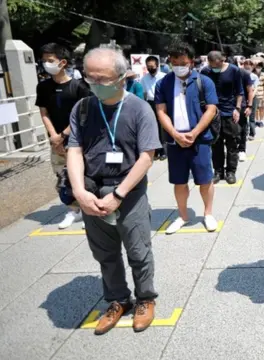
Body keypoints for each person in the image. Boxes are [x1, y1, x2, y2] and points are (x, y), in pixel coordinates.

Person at [66, 48, 162, 335]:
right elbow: (74, 149)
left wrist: (118, 194)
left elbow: (147, 156)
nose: (95, 83)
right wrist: (80, 192)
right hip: (92, 192)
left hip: (128, 192)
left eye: (102, 79)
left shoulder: (139, 108)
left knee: (138, 250)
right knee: (104, 253)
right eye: (89, 77)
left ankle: (145, 298)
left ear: (122, 78)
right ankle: (118, 299)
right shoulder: (82, 108)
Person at [155, 42, 219, 234]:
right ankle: (183, 215)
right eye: (174, 61)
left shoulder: (203, 81)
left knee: (205, 179)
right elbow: (161, 111)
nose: (178, 65)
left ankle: (208, 213)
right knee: (179, 180)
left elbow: (211, 109)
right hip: (175, 140)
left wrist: (195, 132)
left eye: (182, 62)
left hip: (199, 139)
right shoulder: (164, 83)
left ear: (191, 61)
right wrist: (174, 133)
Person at [36, 42, 91, 229]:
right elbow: (44, 112)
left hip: (78, 140)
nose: (46, 64)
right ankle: (72, 210)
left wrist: (63, 134)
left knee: (84, 174)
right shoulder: (43, 87)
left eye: (50, 60)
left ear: (63, 62)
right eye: (44, 61)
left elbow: (83, 114)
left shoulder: (79, 87)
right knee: (62, 177)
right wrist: (54, 136)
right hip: (56, 142)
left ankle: (87, 209)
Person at [201, 51, 244, 184]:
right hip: (212, 113)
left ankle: (231, 171)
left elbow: (239, 91)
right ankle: (218, 171)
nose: (214, 68)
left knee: (232, 143)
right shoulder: (205, 72)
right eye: (212, 65)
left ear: (223, 60)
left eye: (217, 65)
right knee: (215, 144)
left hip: (229, 112)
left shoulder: (234, 70)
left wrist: (237, 109)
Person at [140, 56, 167, 160]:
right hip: (151, 103)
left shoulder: (164, 76)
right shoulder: (144, 79)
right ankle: (156, 151)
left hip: (162, 102)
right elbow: (144, 93)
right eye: (148, 66)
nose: (150, 68)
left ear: (157, 66)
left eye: (152, 66)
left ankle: (164, 151)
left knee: (162, 127)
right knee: (153, 127)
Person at [237, 60, 255, 161]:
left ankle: (242, 150)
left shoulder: (244, 74)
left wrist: (250, 106)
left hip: (242, 106)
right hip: (228, 106)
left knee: (242, 128)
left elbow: (250, 90)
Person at [243, 59, 260, 140]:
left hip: (253, 97)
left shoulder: (254, 76)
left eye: (250, 64)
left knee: (252, 117)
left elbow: (256, 88)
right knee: (244, 117)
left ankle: (252, 133)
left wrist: (251, 98)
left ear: (252, 67)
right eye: (246, 64)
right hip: (244, 97)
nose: (248, 66)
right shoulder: (242, 75)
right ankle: (244, 133)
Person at [255, 61, 264, 128]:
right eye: (257, 67)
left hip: (261, 94)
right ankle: (257, 120)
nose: (258, 68)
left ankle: (261, 120)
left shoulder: (263, 75)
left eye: (259, 67)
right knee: (256, 109)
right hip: (255, 95)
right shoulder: (252, 74)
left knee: (262, 108)